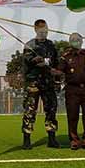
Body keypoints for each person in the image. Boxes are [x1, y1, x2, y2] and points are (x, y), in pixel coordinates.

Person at [21, 19, 60, 150]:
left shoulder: (51, 45)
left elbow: (56, 62)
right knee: (30, 110)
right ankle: (27, 139)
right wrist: (35, 60)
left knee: (51, 109)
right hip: (33, 82)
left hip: (48, 82)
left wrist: (56, 74)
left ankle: (52, 138)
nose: (44, 33)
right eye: (42, 31)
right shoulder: (29, 45)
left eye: (46, 30)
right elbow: (29, 61)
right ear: (36, 30)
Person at [57, 33, 85, 150]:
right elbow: (59, 71)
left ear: (82, 41)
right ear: (70, 42)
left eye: (77, 39)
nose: (75, 41)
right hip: (72, 89)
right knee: (72, 116)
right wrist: (52, 71)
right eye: (73, 40)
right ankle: (74, 140)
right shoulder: (65, 57)